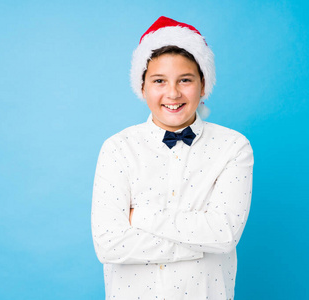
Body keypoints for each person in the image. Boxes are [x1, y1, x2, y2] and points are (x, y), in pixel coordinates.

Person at [92, 16, 254, 300]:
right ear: (142, 87)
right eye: (159, 81)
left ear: (203, 86)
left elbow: (224, 234)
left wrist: (139, 216)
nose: (173, 93)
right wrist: (199, 245)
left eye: (185, 80)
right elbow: (108, 244)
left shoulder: (233, 147)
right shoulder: (117, 149)